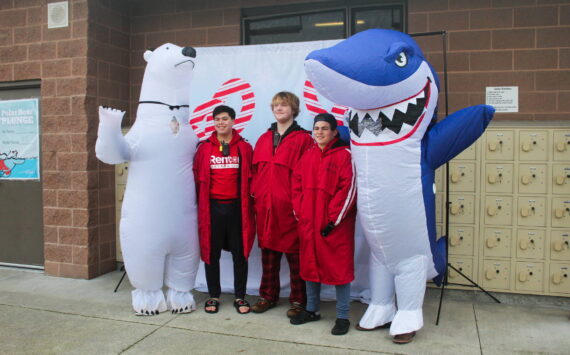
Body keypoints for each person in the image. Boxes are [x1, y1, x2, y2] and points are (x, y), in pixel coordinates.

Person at [290, 113, 357, 335]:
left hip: (334, 227)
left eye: (325, 128)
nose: (319, 132)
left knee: (339, 270)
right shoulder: (307, 156)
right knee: (309, 266)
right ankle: (312, 309)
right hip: (309, 223)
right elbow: (296, 186)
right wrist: (300, 213)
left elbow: (348, 190)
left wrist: (333, 220)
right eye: (316, 128)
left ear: (334, 132)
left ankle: (342, 316)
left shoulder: (345, 155)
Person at [250, 92, 314, 317]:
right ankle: (267, 296)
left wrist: (301, 206)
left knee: (295, 257)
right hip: (265, 208)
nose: (279, 108)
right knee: (268, 255)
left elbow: (308, 175)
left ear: (293, 109)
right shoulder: (263, 138)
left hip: (291, 209)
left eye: (283, 105)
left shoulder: (304, 139)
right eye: (275, 105)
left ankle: (299, 300)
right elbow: (255, 173)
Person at [193, 105, 255, 314]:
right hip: (212, 208)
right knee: (212, 252)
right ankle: (213, 295)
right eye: (217, 119)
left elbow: (252, 179)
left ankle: (240, 296)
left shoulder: (244, 147)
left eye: (225, 119)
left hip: (237, 207)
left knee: (240, 253)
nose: (221, 122)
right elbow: (195, 179)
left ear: (233, 121)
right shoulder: (204, 148)